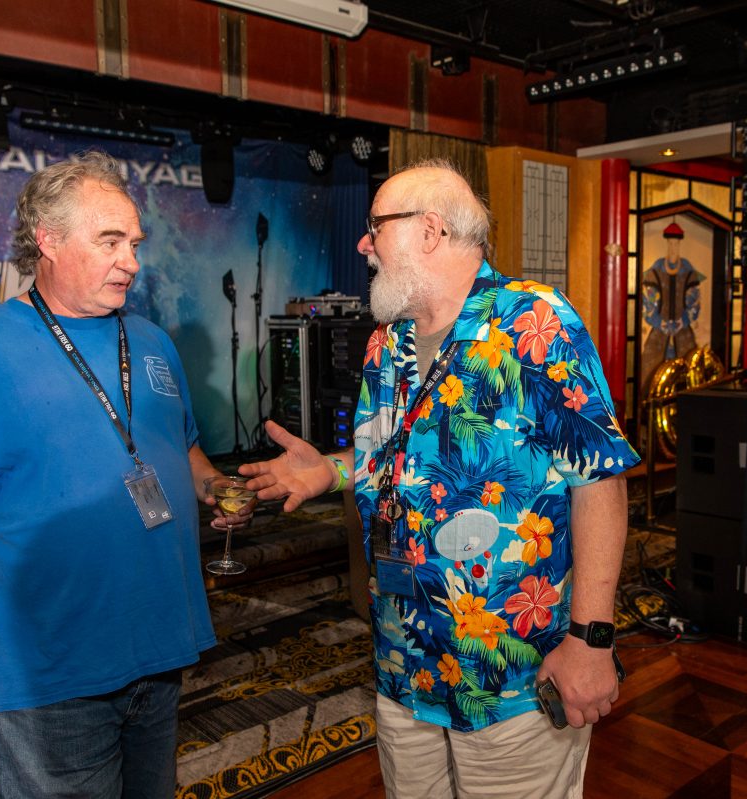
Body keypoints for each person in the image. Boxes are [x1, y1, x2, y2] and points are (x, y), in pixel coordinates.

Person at [240, 159, 639, 798]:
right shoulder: (386, 342)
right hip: (404, 662)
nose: (363, 243)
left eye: (375, 226)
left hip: (512, 673)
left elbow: (600, 481)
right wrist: (330, 470)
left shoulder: (533, 323)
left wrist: (591, 640)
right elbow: (390, 460)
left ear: (430, 230)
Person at [0, 150, 230, 798]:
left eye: (134, 243)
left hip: (158, 657)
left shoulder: (152, 343)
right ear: (48, 240)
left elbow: (182, 449)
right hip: (47, 685)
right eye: (110, 241)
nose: (131, 261)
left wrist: (214, 485)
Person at [640, 220, 704, 387]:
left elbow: (694, 302)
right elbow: (648, 302)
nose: (673, 248)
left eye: (676, 244)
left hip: (683, 330)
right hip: (659, 330)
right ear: (667, 243)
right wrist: (659, 322)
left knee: (690, 370)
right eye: (671, 244)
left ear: (679, 244)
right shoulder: (656, 270)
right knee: (649, 368)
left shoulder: (688, 271)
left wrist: (683, 321)